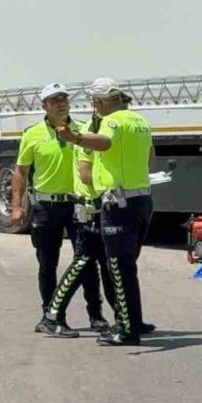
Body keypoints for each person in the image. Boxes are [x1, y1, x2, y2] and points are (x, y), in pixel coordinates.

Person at [56, 78, 155, 346]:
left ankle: (125, 330)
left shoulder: (111, 121)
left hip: (117, 202)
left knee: (117, 268)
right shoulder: (140, 122)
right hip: (142, 199)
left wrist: (74, 137)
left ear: (100, 103)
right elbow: (150, 159)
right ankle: (133, 322)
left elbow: (105, 143)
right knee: (127, 267)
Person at [12, 83, 107, 337]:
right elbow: (21, 172)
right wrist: (16, 206)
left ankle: (96, 315)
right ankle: (51, 315)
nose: (61, 103)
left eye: (64, 98)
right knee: (47, 264)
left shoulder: (82, 131)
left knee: (86, 261)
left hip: (77, 204)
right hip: (46, 206)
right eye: (54, 100)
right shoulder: (32, 134)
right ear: (44, 106)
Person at [37, 113, 119, 339]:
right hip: (85, 210)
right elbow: (85, 175)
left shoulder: (86, 134)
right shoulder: (83, 138)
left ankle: (111, 317)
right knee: (79, 263)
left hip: (97, 208)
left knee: (101, 265)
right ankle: (52, 315)